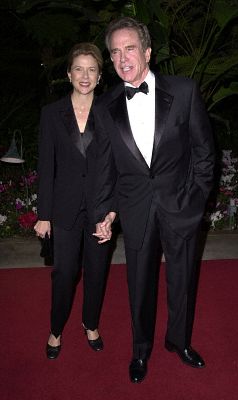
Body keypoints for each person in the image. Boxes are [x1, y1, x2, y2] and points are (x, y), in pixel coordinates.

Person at [93, 17, 215, 383]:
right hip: (136, 211)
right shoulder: (106, 105)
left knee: (182, 280)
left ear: (147, 51)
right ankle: (140, 351)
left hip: (180, 206)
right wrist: (106, 212)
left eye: (130, 48)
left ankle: (179, 341)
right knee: (139, 286)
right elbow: (105, 168)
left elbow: (204, 154)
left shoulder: (183, 91)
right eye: (115, 51)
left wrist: (195, 201)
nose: (122, 58)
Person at [34, 42, 113, 359]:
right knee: (64, 273)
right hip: (64, 209)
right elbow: (46, 166)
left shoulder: (110, 114)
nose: (85, 75)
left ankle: (90, 323)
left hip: (99, 208)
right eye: (79, 68)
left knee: (96, 272)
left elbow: (118, 166)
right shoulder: (52, 114)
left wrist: (112, 211)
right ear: (69, 73)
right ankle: (56, 329)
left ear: (99, 76)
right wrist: (44, 213)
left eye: (91, 69)